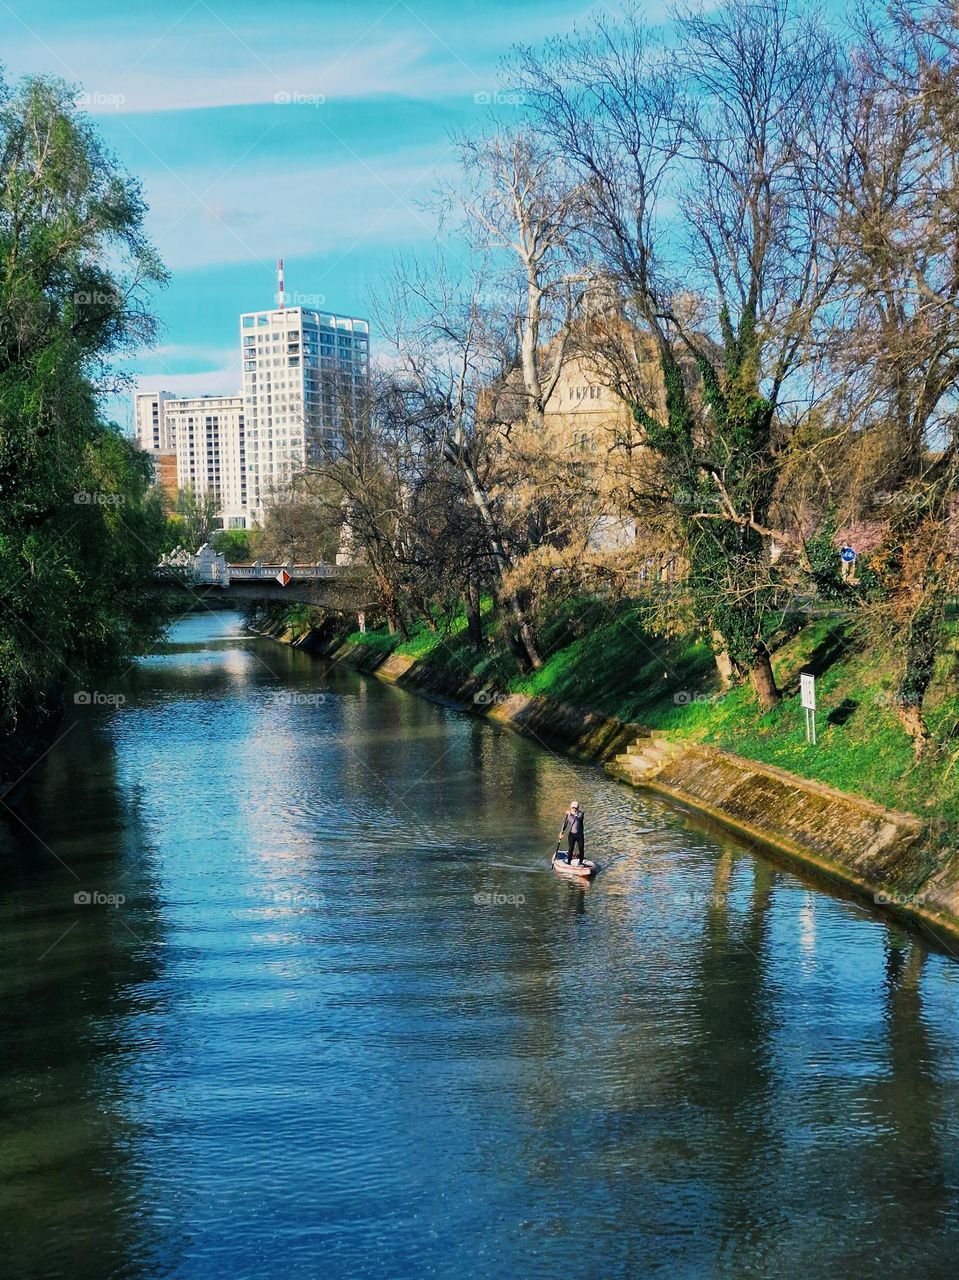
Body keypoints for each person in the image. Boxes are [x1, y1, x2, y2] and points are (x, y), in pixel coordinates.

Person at [559, 800, 585, 865]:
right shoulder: (568, 815)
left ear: (577, 808)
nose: (574, 809)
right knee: (570, 849)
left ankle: (581, 861)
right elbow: (565, 824)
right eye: (573, 808)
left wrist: (571, 814)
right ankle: (568, 862)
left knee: (581, 848)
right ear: (571, 807)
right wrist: (561, 832)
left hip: (580, 835)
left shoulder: (581, 814)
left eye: (575, 808)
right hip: (572, 835)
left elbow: (577, 819)